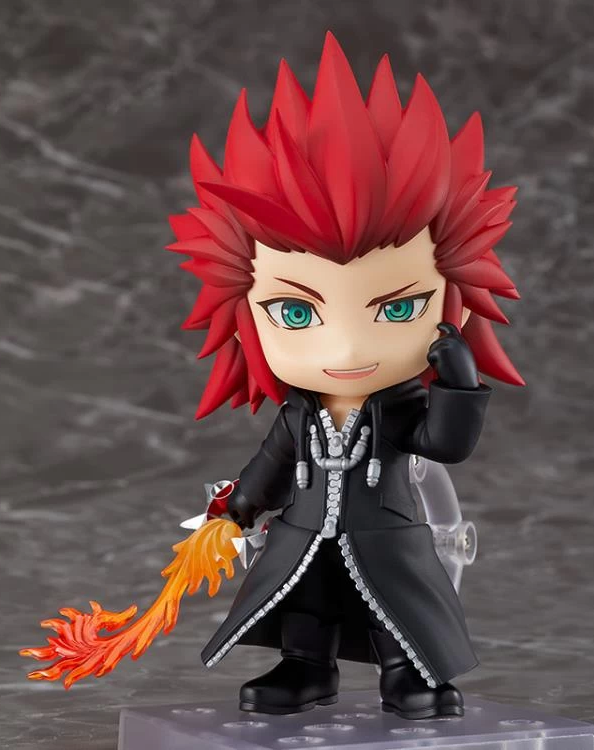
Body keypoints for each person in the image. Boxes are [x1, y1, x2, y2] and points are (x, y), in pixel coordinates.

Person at [168, 30, 524, 719]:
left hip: (385, 534)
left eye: (398, 307)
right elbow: (269, 467)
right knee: (302, 605)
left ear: (448, 303)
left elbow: (445, 445)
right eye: (295, 312)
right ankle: (306, 670)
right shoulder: (298, 415)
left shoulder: (398, 408)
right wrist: (235, 510)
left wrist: (457, 382)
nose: (348, 344)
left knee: (397, 609)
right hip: (303, 533)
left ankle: (407, 676)